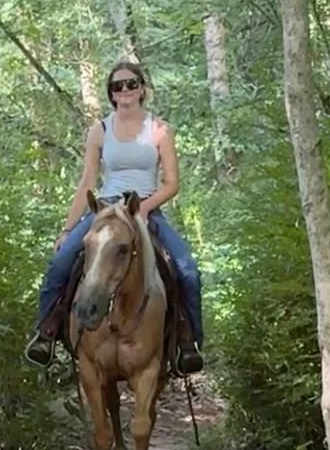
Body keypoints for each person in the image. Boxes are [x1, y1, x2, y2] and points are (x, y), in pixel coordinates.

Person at [24, 60, 204, 375]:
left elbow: (172, 183)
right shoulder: (100, 130)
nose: (125, 90)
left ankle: (187, 342)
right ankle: (47, 332)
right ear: (111, 93)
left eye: (131, 83)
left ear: (142, 88)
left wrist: (143, 209)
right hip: (106, 209)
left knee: (187, 270)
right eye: (117, 85)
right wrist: (67, 229)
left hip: (145, 208)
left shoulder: (159, 130)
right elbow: (87, 181)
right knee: (61, 262)